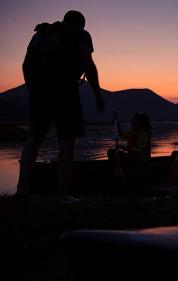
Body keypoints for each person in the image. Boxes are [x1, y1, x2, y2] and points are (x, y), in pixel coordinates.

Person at [17, 10, 105, 203]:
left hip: (39, 92)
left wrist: (32, 89)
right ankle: (62, 195)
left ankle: (21, 191)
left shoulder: (41, 34)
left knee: (34, 140)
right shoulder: (81, 35)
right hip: (65, 90)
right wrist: (98, 94)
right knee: (66, 143)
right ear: (81, 24)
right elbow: (88, 65)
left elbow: (25, 65)